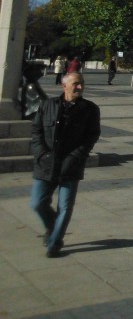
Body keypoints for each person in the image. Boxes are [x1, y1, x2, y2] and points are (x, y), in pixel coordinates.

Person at [30, 72, 101, 258]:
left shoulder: (90, 109)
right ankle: (53, 226)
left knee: (65, 207)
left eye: (82, 84)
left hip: (71, 164)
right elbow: (36, 132)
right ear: (64, 86)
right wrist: (42, 154)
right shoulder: (48, 105)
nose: (80, 87)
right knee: (37, 203)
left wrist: (76, 156)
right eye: (76, 84)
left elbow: (91, 136)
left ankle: (54, 242)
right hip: (46, 163)